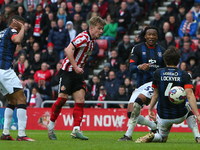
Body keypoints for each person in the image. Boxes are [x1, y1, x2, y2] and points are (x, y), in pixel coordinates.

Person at [47, 16, 106, 140]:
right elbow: (68, 50)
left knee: (80, 101)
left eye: (102, 29)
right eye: (99, 28)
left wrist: (79, 68)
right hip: (67, 72)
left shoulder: (92, 41)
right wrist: (75, 66)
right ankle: (51, 126)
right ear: (91, 28)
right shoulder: (83, 37)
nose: (101, 31)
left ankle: (76, 130)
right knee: (62, 100)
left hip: (77, 74)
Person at [135, 46, 200, 143]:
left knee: (162, 138)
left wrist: (150, 109)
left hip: (163, 115)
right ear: (178, 60)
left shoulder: (158, 72)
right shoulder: (184, 74)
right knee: (187, 108)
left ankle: (154, 137)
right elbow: (189, 95)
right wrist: (198, 115)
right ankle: (198, 136)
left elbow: (155, 94)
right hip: (180, 114)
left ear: (165, 60)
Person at [118, 25, 166, 141]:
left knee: (137, 104)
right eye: (149, 34)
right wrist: (139, 67)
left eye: (153, 34)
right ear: (145, 36)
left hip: (154, 84)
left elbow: (166, 69)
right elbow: (131, 68)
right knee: (130, 114)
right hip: (140, 85)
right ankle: (153, 126)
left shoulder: (162, 51)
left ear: (157, 36)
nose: (151, 36)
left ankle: (127, 135)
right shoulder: (138, 48)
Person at [0, 15, 34, 141]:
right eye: (21, 25)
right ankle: (21, 134)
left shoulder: (2, 33)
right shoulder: (12, 30)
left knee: (12, 100)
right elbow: (17, 40)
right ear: (15, 24)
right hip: (4, 70)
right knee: (21, 98)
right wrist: (22, 28)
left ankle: (5, 133)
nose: (21, 29)